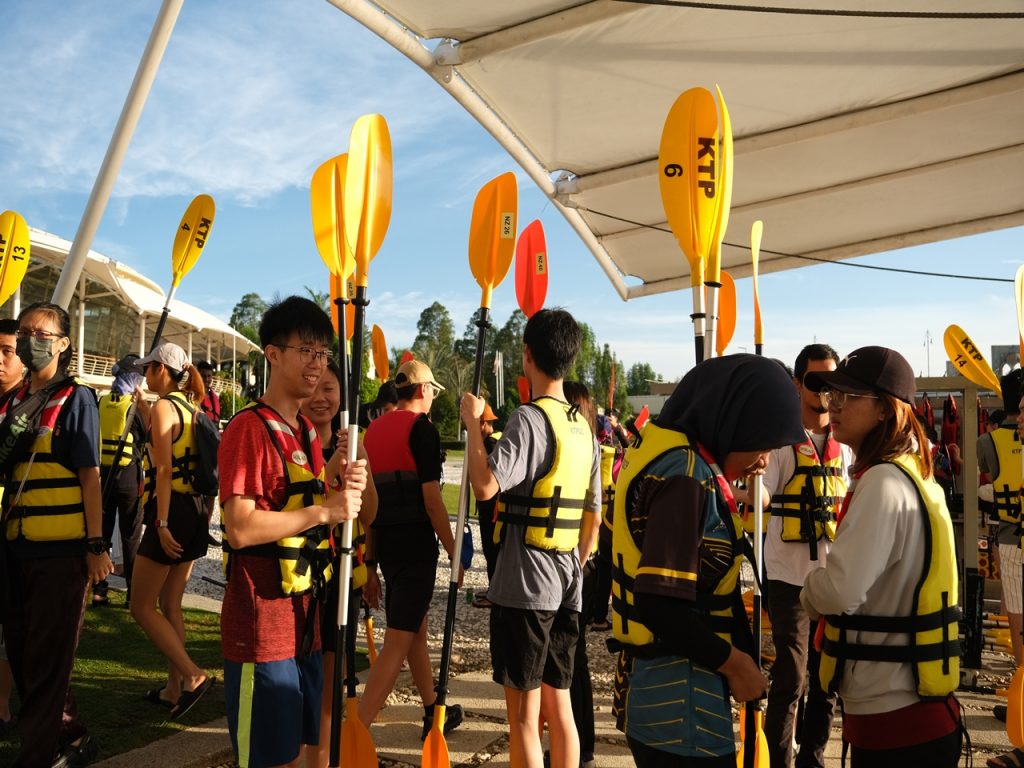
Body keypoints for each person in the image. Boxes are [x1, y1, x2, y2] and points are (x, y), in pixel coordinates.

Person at [609, 354, 804, 767]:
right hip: (680, 712)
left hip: (665, 704)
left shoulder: (670, 451)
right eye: (763, 443)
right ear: (734, 421)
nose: (766, 460)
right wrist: (736, 666)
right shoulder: (686, 476)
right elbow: (658, 604)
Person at [219, 296, 365, 768]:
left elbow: (306, 502)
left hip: (305, 625)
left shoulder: (304, 431)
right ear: (273, 354)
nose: (316, 365)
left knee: (298, 754)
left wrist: (338, 479)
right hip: (261, 631)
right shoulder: (249, 428)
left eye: (323, 354)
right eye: (306, 351)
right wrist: (324, 512)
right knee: (268, 760)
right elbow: (239, 528)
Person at [802, 347, 962, 767]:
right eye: (830, 395)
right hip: (914, 717)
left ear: (884, 410)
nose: (830, 405)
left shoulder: (883, 483)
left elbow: (838, 591)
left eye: (846, 396)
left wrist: (807, 590)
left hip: (897, 725)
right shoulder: (916, 474)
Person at [461, 308, 601, 768]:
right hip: (567, 582)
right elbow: (592, 510)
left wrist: (471, 429)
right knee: (560, 707)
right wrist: (577, 561)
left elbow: (485, 487)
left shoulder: (529, 419)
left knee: (523, 717)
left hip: (525, 584)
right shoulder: (584, 427)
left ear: (527, 355)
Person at [0, 301, 113, 767]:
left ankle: (38, 756)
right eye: (25, 332)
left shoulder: (76, 399)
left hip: (61, 553)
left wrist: (96, 545)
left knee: (48, 659)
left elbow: (90, 477)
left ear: (63, 343)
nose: (31, 340)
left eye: (41, 333)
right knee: (25, 655)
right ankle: (73, 736)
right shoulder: (11, 401)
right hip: (14, 547)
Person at [747, 344, 850, 768]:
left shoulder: (846, 448)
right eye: (814, 381)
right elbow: (765, 493)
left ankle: (813, 758)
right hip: (790, 578)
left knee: (826, 682)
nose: (824, 390)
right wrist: (752, 484)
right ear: (797, 384)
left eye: (831, 380)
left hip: (834, 579)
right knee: (792, 678)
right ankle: (777, 763)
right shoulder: (784, 442)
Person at [359, 360, 464, 739]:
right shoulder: (422, 430)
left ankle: (432, 709)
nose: (434, 397)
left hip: (386, 545)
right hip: (416, 546)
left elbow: (367, 507)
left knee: (414, 629)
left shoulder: (373, 431)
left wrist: (370, 564)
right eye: (433, 390)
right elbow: (432, 501)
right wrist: (454, 551)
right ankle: (355, 731)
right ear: (422, 390)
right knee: (399, 639)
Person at [300, 360, 378, 768]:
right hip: (302, 579)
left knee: (331, 681)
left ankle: (322, 760)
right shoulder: (296, 444)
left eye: (329, 389)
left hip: (341, 579)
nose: (320, 398)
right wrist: (326, 475)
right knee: (302, 680)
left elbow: (371, 514)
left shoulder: (351, 447)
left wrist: (361, 458)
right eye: (314, 389)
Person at [131, 342, 213, 717]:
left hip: (173, 511)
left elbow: (164, 469)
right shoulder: (191, 406)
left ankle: (193, 676)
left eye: (149, 367)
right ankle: (172, 688)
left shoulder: (165, 406)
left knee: (141, 605)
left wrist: (161, 522)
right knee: (170, 603)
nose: (145, 373)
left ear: (161, 369)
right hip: (195, 510)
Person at [978, 370, 1024, 726]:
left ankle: (1020, 701)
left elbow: (985, 479)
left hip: (1009, 535)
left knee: (1018, 620)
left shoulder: (986, 442)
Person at [560, 380, 600, 768]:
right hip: (569, 564)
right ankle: (571, 744)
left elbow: (594, 515)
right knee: (566, 657)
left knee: (575, 657)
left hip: (579, 566)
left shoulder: (587, 447)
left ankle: (582, 748)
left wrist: (577, 564)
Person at [92, 354, 149, 608]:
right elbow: (147, 436)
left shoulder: (101, 402)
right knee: (131, 535)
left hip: (103, 477)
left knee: (101, 532)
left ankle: (99, 591)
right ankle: (132, 593)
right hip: (128, 477)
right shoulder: (133, 406)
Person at [0, 317, 25, 738]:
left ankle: (1, 706)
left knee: (9, 624)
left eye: (7, 351)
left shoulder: (35, 406)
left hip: (18, 536)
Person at [472, 402, 501, 608]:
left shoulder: (489, 444)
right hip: (495, 507)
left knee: (492, 551)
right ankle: (494, 589)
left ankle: (494, 593)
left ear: (483, 424)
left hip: (491, 507)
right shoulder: (498, 440)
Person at [195, 360, 221, 548]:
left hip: (212, 450)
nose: (206, 379)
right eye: (203, 375)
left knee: (212, 491)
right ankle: (194, 530)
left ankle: (203, 531)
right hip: (197, 449)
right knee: (196, 492)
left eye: (209, 376)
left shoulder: (214, 397)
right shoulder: (193, 396)